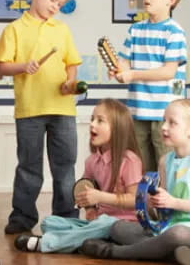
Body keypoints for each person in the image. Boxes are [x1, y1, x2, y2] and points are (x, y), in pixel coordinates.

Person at [80, 99, 190, 265]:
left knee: (177, 235)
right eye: (163, 121)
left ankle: (116, 252)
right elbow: (163, 210)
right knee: (118, 228)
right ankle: (175, 253)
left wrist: (173, 202)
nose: (164, 127)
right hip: (169, 226)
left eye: (172, 123)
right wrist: (154, 204)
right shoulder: (165, 161)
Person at [0, 0, 82, 235]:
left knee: (65, 167)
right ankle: (22, 217)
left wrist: (69, 82)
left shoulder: (62, 30)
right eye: (53, 0)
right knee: (29, 167)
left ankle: (66, 216)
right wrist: (23, 66)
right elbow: (1, 67)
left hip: (63, 109)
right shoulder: (14, 30)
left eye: (60, 4)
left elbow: (72, 65)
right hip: (30, 109)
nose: (56, 7)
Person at [14, 99, 143, 253]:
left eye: (100, 121)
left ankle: (46, 244)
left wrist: (100, 197)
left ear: (118, 129)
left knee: (104, 224)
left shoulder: (129, 160)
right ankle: (85, 241)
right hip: (99, 223)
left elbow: (136, 201)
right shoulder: (92, 161)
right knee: (49, 223)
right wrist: (90, 209)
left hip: (123, 225)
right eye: (92, 119)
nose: (92, 124)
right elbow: (84, 188)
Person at [110, 0, 187, 172]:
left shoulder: (175, 32)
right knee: (140, 166)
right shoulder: (135, 30)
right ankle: (145, 204)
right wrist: (121, 74)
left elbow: (168, 72)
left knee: (166, 165)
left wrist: (132, 74)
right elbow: (124, 62)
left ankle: (167, 204)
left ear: (171, 0)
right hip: (137, 110)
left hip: (166, 113)